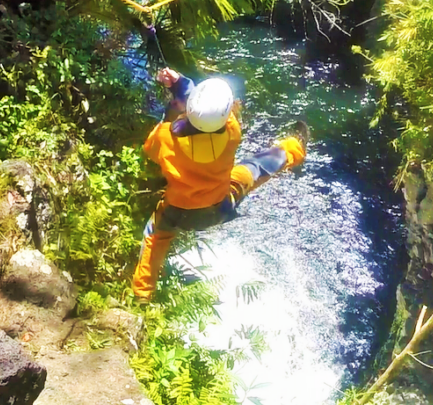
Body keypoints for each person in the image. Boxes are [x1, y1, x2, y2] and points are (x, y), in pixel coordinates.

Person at [131, 67, 309, 301]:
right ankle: (295, 149)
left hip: (177, 212)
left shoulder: (165, 137)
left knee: (154, 238)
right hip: (220, 205)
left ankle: (142, 296)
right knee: (254, 168)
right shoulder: (233, 132)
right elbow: (210, 114)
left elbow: (151, 148)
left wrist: (178, 90)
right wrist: (181, 84)